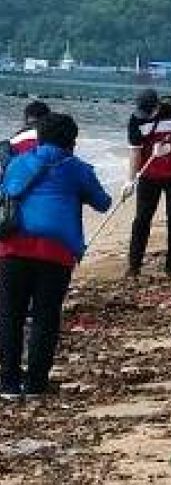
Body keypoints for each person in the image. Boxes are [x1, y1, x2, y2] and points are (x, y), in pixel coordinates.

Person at [1, 112, 111, 397]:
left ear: (38, 137)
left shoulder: (17, 163)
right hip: (56, 253)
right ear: (72, 142)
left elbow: (8, 191)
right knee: (45, 317)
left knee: (10, 316)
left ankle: (9, 382)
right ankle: (36, 384)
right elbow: (102, 202)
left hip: (13, 249)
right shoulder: (78, 169)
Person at [125, 89, 171, 279]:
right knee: (141, 220)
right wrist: (130, 180)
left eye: (149, 111)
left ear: (157, 106)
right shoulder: (135, 119)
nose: (145, 115)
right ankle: (134, 266)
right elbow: (135, 151)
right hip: (148, 176)